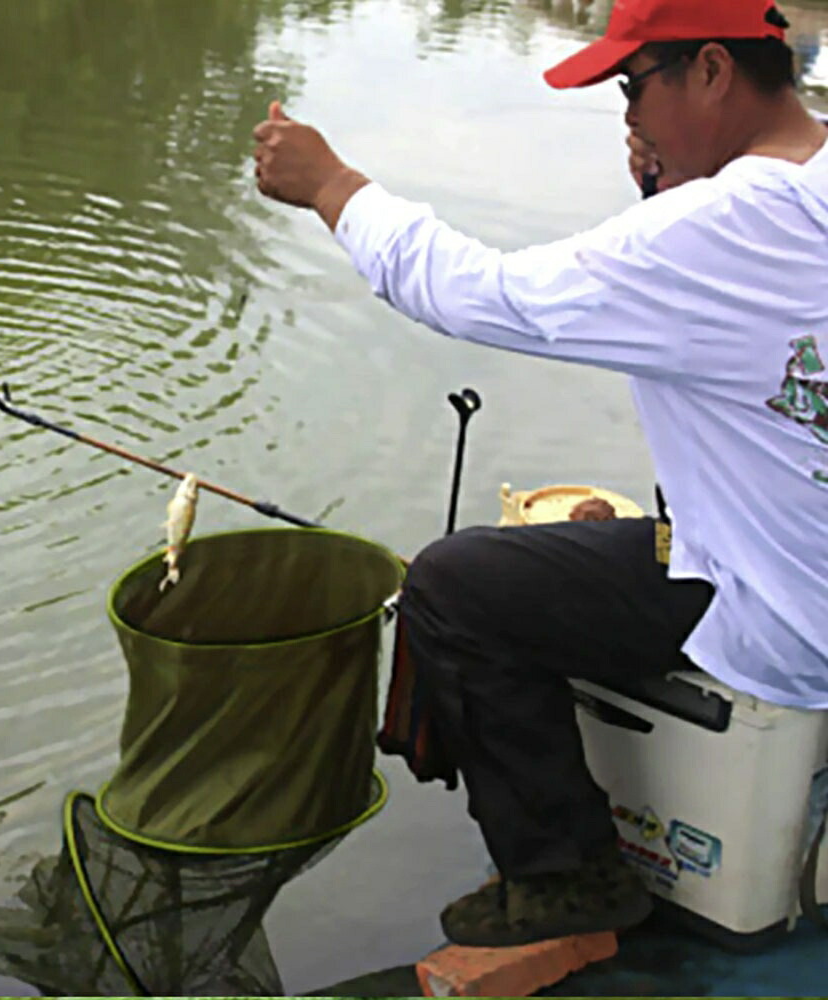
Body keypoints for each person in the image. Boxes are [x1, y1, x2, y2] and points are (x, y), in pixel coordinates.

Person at [252, 0, 828, 947]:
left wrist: (332, 186)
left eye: (633, 87)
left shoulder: (727, 221)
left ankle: (563, 876)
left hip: (786, 617)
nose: (629, 121)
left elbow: (486, 295)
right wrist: (668, 199)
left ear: (715, 69)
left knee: (454, 586)